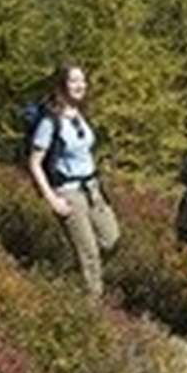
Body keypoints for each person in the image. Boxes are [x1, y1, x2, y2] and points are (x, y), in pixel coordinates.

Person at [26, 64, 120, 295]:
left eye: (83, 81)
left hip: (92, 188)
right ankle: (93, 307)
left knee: (111, 239)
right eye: (74, 81)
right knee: (89, 253)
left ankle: (73, 276)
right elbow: (34, 162)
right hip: (68, 191)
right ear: (61, 85)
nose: (81, 85)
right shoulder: (50, 121)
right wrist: (52, 199)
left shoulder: (80, 113)